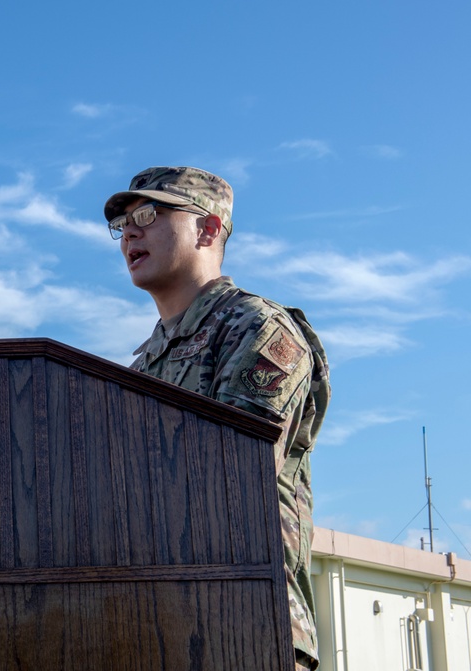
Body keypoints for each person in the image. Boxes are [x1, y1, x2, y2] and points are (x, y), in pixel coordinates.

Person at [104, 166, 331, 671]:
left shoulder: (260, 329)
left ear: (208, 229)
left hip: (247, 621)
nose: (130, 233)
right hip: (157, 625)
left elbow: (229, 475)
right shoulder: (142, 366)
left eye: (148, 214)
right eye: (123, 224)